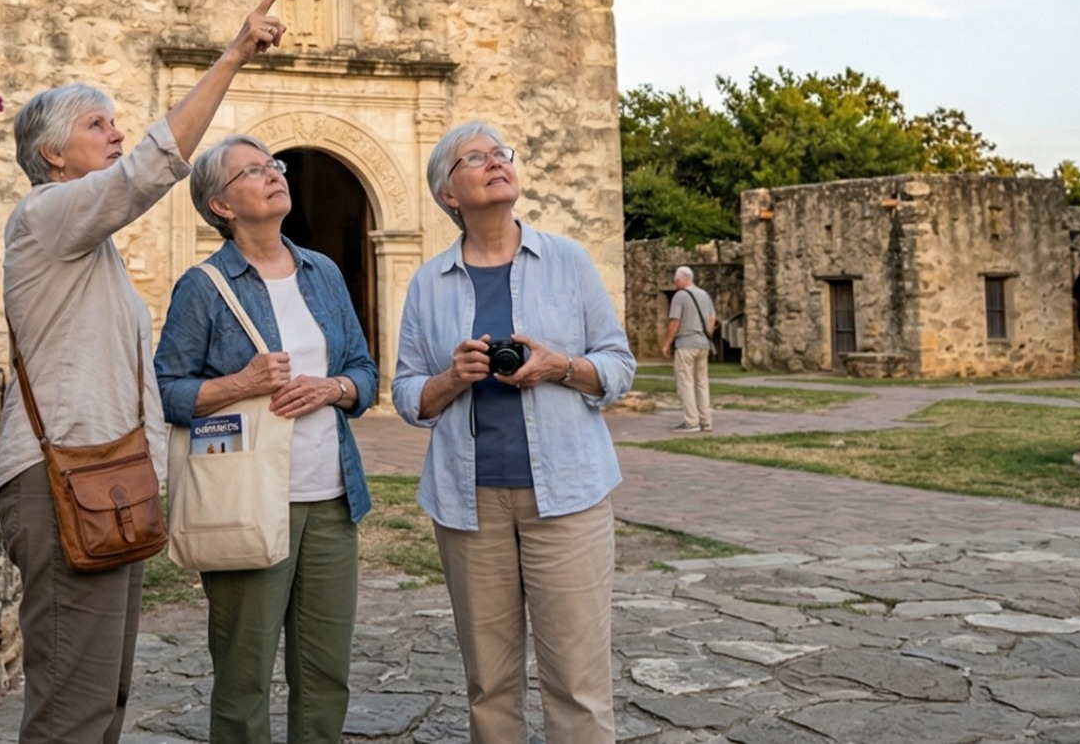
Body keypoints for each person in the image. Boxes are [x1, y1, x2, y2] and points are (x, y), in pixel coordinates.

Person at [0, 0, 286, 744]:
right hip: (63, 477)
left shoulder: (87, 244)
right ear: (52, 154)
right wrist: (231, 56)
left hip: (106, 476)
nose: (116, 132)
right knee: (72, 702)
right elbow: (149, 170)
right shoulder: (44, 216)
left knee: (103, 691)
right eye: (97, 124)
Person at [391, 122, 636, 744]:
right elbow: (406, 395)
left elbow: (618, 366)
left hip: (570, 499)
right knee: (490, 687)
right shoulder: (427, 283)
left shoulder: (569, 261)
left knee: (578, 683)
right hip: (469, 505)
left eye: (501, 153)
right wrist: (453, 376)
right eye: (474, 158)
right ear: (449, 194)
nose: (495, 162)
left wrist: (562, 366)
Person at [155, 135, 378, 744]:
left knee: (326, 671)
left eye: (272, 166)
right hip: (247, 499)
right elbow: (166, 390)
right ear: (220, 205)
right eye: (252, 171)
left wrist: (335, 389)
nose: (273, 175)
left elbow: (365, 371)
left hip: (332, 499)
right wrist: (241, 383)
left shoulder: (323, 271)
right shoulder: (202, 287)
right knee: (244, 675)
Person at [662, 265, 718, 433]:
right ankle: (705, 421)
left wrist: (667, 342)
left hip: (686, 344)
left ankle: (691, 422)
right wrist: (706, 334)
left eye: (676, 280)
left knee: (685, 382)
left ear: (682, 279)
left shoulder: (680, 296)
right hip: (703, 343)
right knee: (701, 383)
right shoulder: (704, 295)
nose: (675, 283)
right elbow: (712, 318)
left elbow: (674, 321)